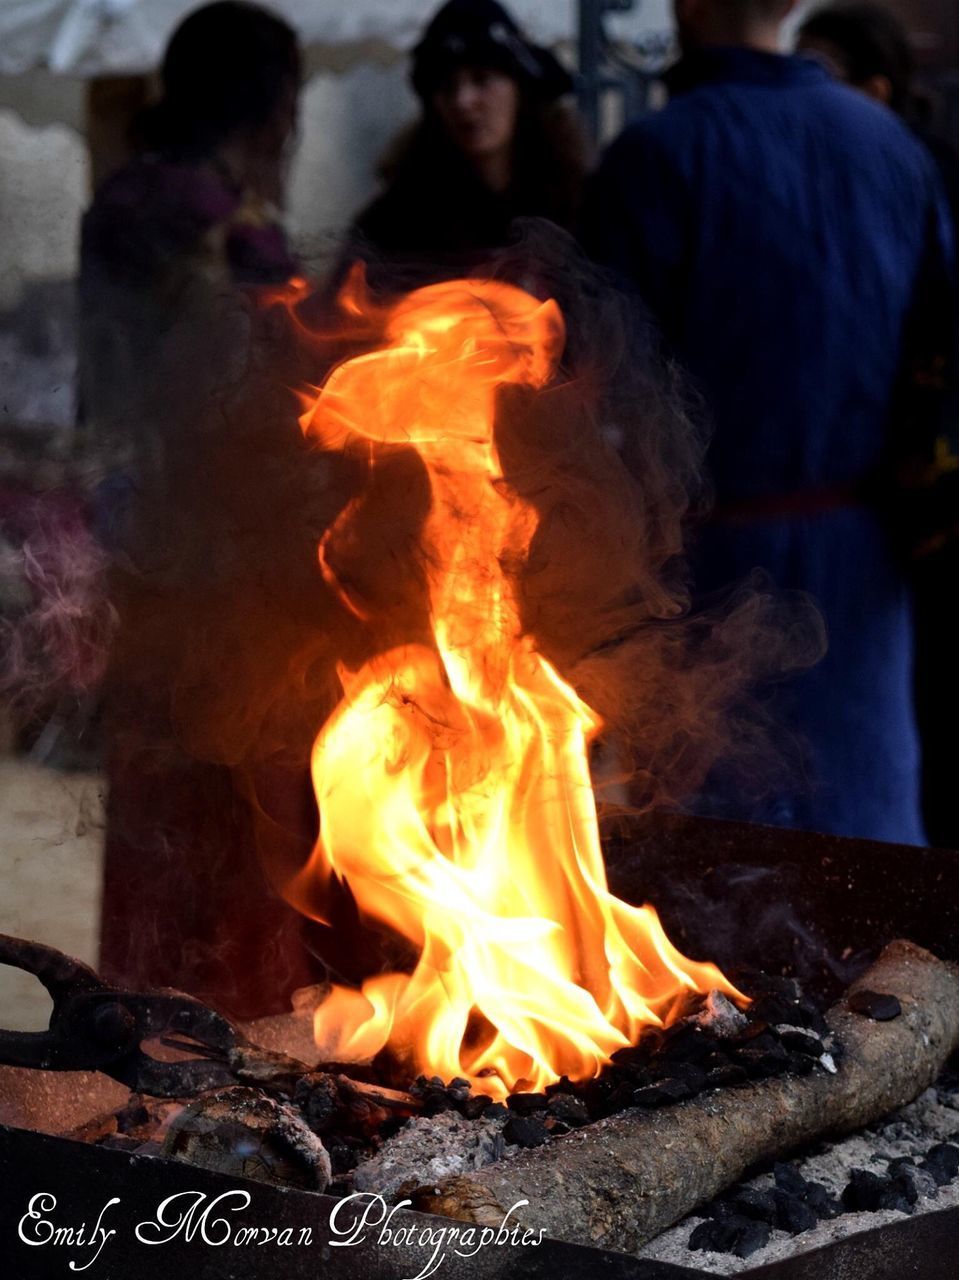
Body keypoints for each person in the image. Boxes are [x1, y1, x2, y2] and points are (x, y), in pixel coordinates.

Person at [584, 0, 955, 844]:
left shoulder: (657, 155)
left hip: (701, 575)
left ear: (685, 7)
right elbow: (940, 369)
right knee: (870, 878)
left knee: (709, 883)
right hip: (862, 571)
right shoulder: (889, 146)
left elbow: (599, 399)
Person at [79, 2, 322, 1016]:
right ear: (270, 107)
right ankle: (231, 1021)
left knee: (160, 802)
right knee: (238, 803)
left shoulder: (119, 203)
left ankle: (148, 1014)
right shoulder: (233, 234)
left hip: (145, 554)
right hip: (235, 569)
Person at [798, 2, 959, 849]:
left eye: (825, 77)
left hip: (918, 514)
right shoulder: (826, 183)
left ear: (876, 89)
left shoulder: (914, 175)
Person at [349, 0, 588, 279]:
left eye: (482, 79)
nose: (463, 102)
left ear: (521, 89)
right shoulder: (397, 222)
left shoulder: (581, 207)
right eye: (448, 86)